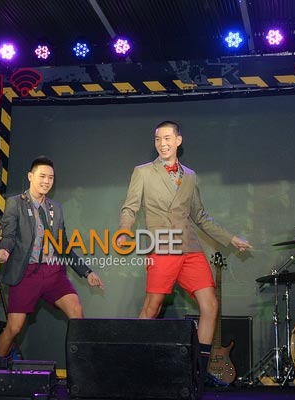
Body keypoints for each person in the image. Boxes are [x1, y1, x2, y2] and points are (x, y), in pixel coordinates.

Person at [117, 120, 252, 386]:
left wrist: (230, 238)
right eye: (158, 139)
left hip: (190, 248)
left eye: (167, 138)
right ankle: (132, 365)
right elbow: (130, 208)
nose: (162, 144)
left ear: (178, 140)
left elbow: (200, 216)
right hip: (162, 246)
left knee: (210, 305)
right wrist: (124, 230)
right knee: (152, 308)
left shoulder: (190, 175)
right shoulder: (143, 172)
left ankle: (199, 373)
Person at [0, 156, 103, 358]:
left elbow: (64, 246)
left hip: (53, 272)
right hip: (26, 273)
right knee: (14, 328)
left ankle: (81, 368)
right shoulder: (15, 203)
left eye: (50, 177)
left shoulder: (56, 208)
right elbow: (8, 235)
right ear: (30, 176)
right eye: (42, 176)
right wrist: (5, 250)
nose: (46, 181)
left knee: (77, 314)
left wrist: (87, 272)